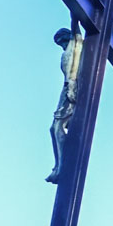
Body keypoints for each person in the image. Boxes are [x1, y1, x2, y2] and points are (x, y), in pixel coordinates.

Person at [48, 27, 84, 184]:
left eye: (62, 41)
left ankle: (63, 166)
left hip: (72, 87)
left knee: (58, 128)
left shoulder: (76, 43)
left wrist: (76, 17)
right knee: (53, 129)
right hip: (66, 88)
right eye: (59, 44)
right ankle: (58, 165)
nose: (62, 45)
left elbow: (76, 22)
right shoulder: (67, 50)